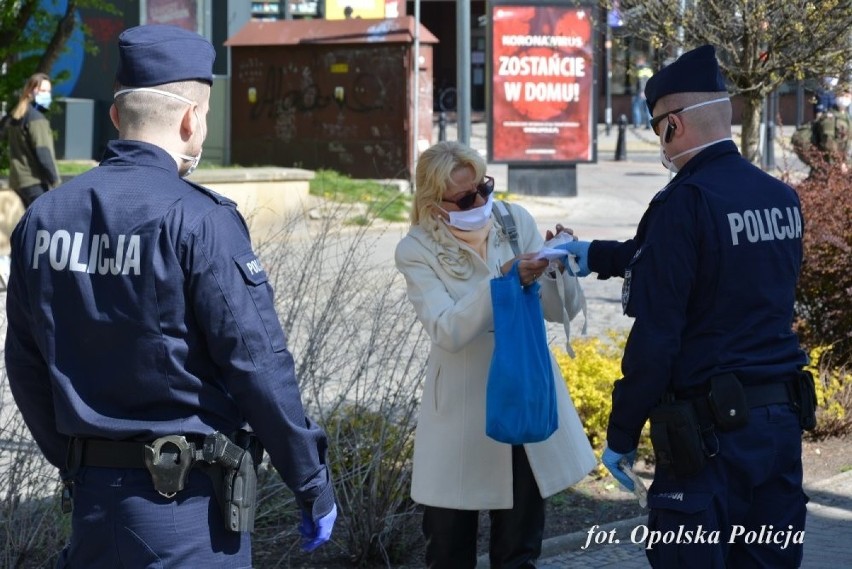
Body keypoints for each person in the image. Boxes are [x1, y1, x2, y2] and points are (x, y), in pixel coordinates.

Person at [4, 24, 336, 567]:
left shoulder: (44, 218)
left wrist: (76, 461)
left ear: (116, 116)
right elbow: (257, 363)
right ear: (191, 119)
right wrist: (310, 479)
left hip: (92, 510)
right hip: (188, 517)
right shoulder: (200, 220)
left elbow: (24, 362)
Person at [558, 45, 810, 567]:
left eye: (655, 129)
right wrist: (588, 255)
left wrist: (622, 433)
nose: (659, 142)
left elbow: (657, 336)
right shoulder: (779, 199)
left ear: (674, 126)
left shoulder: (686, 201)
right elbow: (697, 264)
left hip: (709, 439)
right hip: (778, 428)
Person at [394, 140, 596, 568]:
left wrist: (557, 266)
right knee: (449, 551)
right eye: (466, 197)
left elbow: (561, 311)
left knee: (519, 551)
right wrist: (503, 282)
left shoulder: (512, 219)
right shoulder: (416, 249)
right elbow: (446, 328)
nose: (481, 201)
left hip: (521, 397)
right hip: (462, 415)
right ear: (435, 206)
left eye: (484, 187)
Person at [6, 72, 60, 208]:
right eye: (42, 90)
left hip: (18, 182)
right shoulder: (36, 118)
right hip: (34, 182)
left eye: (48, 91)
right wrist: (55, 181)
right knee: (42, 227)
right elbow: (43, 154)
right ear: (30, 91)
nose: (47, 95)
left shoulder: (17, 116)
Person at [631, 56, 654, 129]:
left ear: (642, 61)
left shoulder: (640, 70)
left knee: (636, 107)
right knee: (647, 109)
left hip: (641, 92)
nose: (636, 63)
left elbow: (641, 82)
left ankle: (637, 124)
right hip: (648, 92)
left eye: (638, 61)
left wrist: (641, 91)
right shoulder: (649, 70)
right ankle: (649, 125)